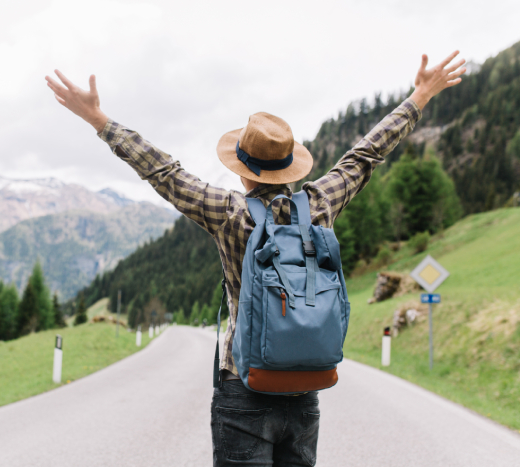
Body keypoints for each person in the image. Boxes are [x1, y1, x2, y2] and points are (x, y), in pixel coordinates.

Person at [45, 51, 466, 466]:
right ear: (290, 167)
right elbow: (365, 156)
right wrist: (420, 97)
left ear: (242, 170)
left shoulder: (228, 213)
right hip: (304, 391)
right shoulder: (320, 205)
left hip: (244, 386)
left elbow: (164, 173)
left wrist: (99, 121)